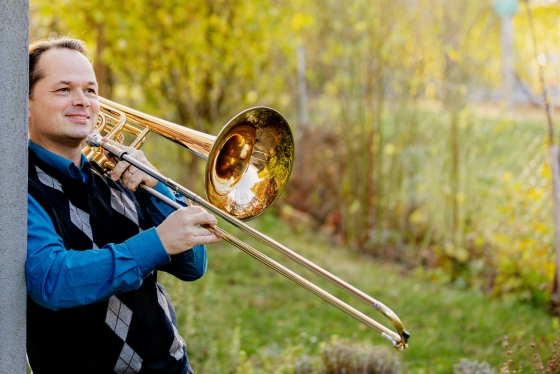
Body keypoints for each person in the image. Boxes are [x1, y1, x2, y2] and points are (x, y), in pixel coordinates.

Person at [26, 37, 221, 374]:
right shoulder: (17, 189)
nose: (82, 101)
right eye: (64, 90)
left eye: (91, 90)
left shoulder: (116, 171)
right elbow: (52, 281)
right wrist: (157, 242)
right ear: (24, 103)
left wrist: (155, 184)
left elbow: (192, 265)